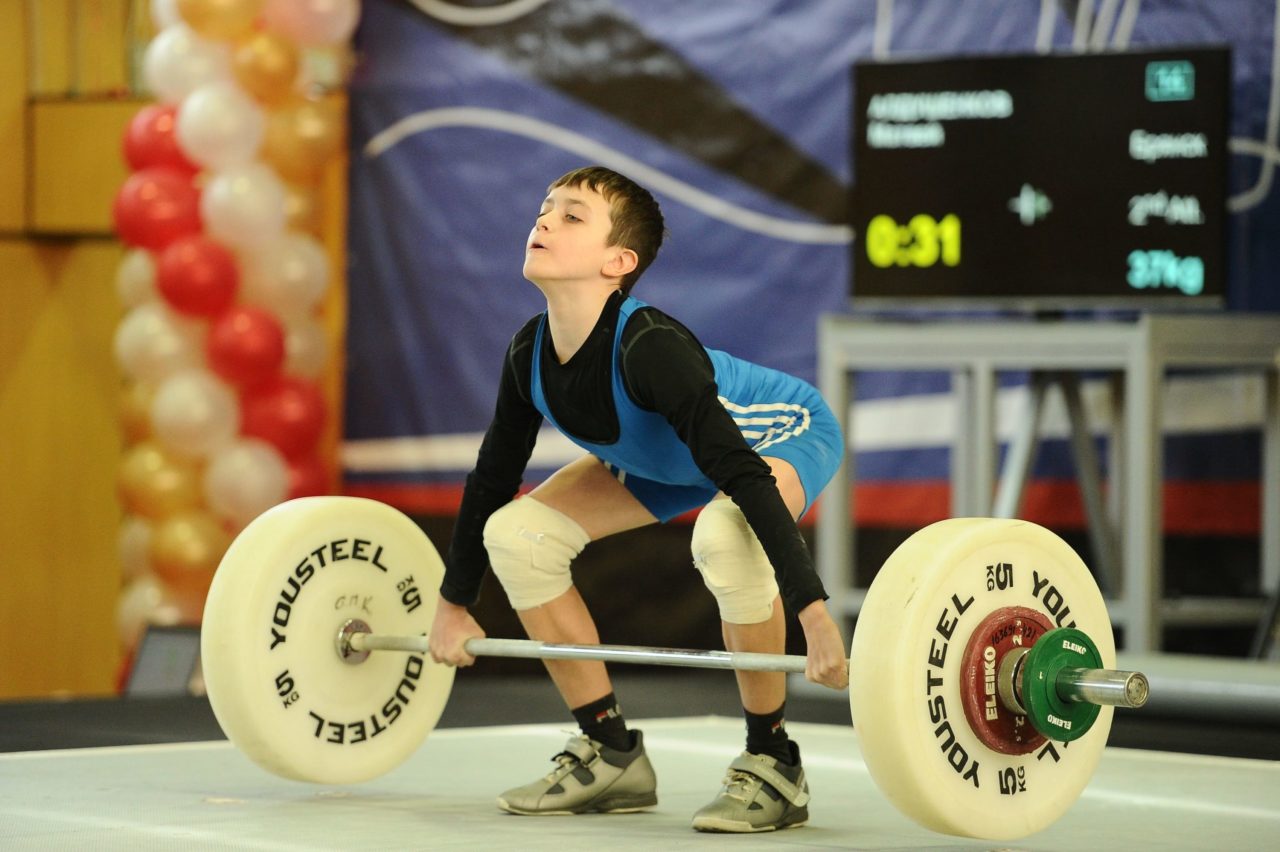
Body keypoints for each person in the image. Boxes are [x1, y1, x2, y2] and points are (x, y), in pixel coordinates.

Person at [428, 165, 848, 833]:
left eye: (572, 216)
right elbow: (491, 478)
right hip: (663, 458)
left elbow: (740, 472)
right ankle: (611, 751)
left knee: (722, 537)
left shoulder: (651, 346)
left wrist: (815, 615)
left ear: (617, 263)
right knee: (517, 535)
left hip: (776, 435)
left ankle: (774, 761)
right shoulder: (529, 352)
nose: (544, 222)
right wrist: (454, 605)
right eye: (545, 209)